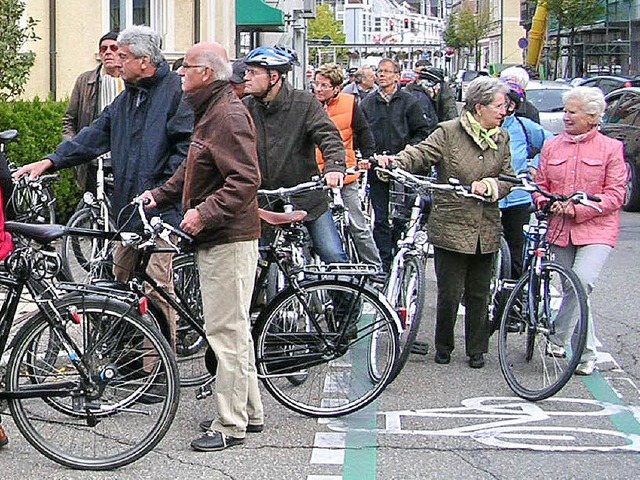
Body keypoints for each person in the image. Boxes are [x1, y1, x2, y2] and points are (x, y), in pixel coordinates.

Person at [16, 25, 194, 350]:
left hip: (162, 213)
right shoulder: (127, 98)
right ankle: (123, 362)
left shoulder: (176, 94)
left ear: (144, 60)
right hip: (129, 212)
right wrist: (50, 162)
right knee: (118, 282)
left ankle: (157, 369)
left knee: (156, 288)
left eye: (123, 56)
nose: (115, 62)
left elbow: (186, 153)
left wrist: (161, 192)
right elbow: (93, 136)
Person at [139, 41, 264, 452]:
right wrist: (162, 194)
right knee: (235, 331)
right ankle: (250, 412)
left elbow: (244, 180)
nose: (180, 74)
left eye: (186, 67)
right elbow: (197, 168)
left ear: (207, 73)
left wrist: (204, 213)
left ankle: (229, 425)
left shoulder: (226, 114)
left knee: (224, 332)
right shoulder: (211, 111)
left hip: (228, 238)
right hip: (222, 236)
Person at [377, 76, 514, 368]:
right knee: (449, 291)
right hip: (451, 220)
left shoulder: (501, 136)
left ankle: (477, 350)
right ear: (479, 107)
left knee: (479, 291)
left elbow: (508, 178)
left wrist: (491, 186)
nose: (504, 111)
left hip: (486, 223)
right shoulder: (448, 132)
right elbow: (421, 154)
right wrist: (395, 162)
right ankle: (444, 346)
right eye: (499, 106)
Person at [534, 86, 626, 376]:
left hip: (596, 229)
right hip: (560, 228)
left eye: (571, 112)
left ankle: (560, 335)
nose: (565, 117)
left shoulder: (611, 149)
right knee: (571, 288)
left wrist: (578, 209)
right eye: (565, 111)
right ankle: (586, 355)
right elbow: (541, 185)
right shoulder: (552, 146)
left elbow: (615, 195)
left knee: (581, 281)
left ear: (592, 117)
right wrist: (546, 203)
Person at [242, 45, 348, 264]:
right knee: (256, 262)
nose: (246, 78)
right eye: (247, 72)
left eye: (253, 72)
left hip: (305, 196)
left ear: (273, 77)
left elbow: (328, 136)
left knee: (332, 254)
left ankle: (349, 297)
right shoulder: (245, 108)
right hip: (264, 200)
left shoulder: (304, 103)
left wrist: (334, 168)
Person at [360, 58, 431, 273]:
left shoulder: (409, 102)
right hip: (378, 168)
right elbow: (362, 134)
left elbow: (422, 131)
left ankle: (401, 251)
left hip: (404, 167)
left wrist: (408, 152)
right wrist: (370, 156)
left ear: (396, 76)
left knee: (402, 213)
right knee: (380, 217)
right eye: (379, 71)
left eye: (386, 72)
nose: (381, 75)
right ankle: (384, 262)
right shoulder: (367, 104)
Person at [313, 63, 382, 271]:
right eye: (316, 84)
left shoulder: (350, 104)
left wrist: (368, 158)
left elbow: (364, 134)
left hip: (345, 175)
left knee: (357, 224)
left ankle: (374, 269)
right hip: (316, 176)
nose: (318, 89)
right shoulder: (309, 105)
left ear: (336, 88)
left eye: (324, 85)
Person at [499, 80, 554, 279]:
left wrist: (535, 165)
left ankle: (515, 301)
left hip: (517, 197)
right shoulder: (484, 124)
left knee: (517, 251)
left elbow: (552, 144)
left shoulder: (523, 126)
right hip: (489, 196)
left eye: (506, 102)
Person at [62, 32, 125, 194]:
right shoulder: (85, 81)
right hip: (93, 161)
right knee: (93, 206)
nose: (108, 52)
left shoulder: (131, 81)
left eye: (113, 48)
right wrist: (73, 145)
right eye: (103, 49)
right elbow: (69, 119)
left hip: (124, 161)